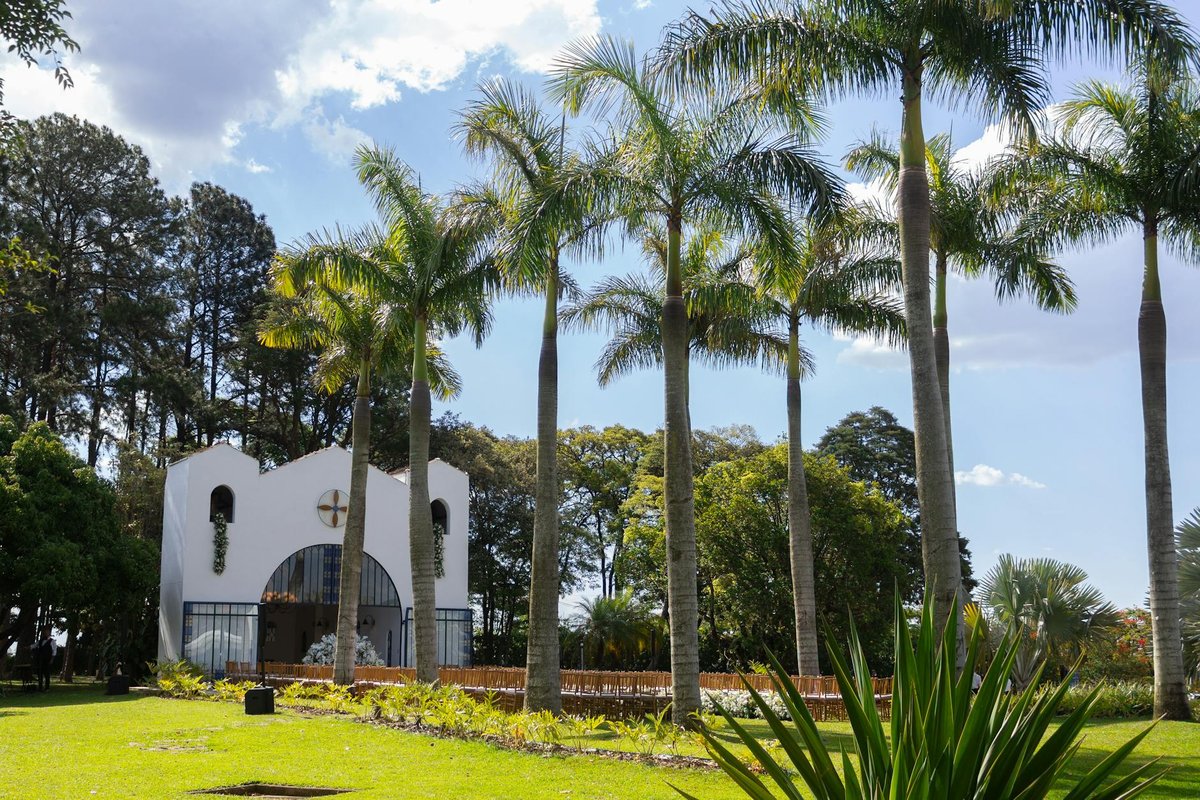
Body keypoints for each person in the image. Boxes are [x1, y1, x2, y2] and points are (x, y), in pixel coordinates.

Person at [33, 626, 57, 692]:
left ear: (49, 633)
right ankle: (40, 687)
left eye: (47, 632)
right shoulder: (40, 641)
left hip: (47, 659)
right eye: (45, 632)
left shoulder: (52, 641)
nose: (46, 633)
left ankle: (47, 687)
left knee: (47, 674)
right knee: (40, 673)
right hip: (40, 659)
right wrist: (28, 647)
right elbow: (34, 645)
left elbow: (54, 651)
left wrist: (52, 659)